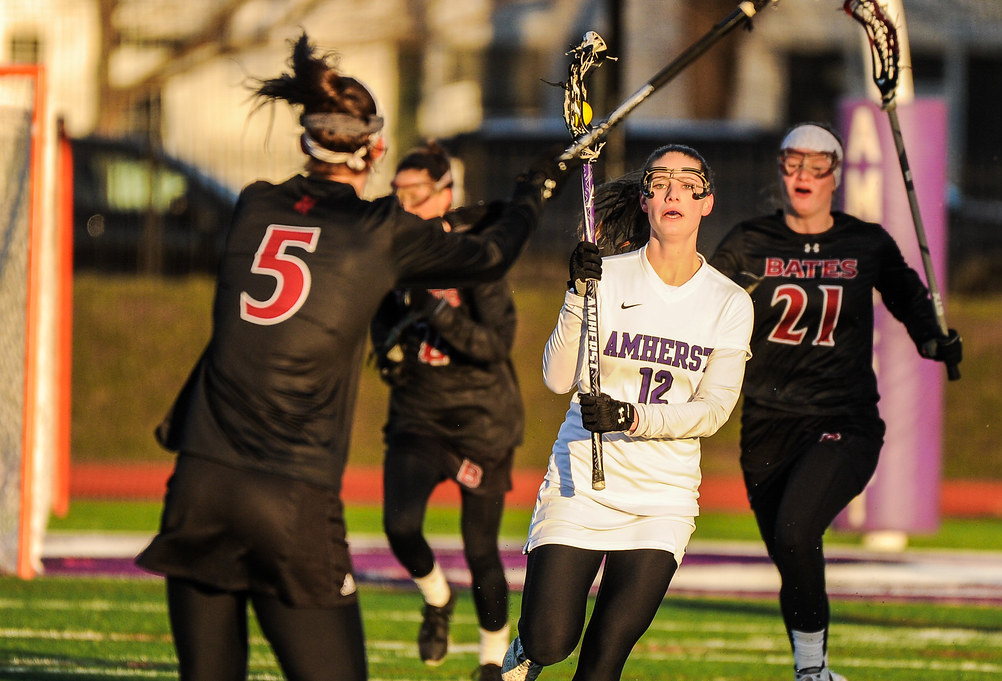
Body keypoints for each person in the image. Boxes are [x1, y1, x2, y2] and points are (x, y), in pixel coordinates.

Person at [134, 33, 577, 681]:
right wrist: (531, 193)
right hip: (290, 492)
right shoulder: (380, 233)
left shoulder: (253, 206)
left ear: (304, 141)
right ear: (373, 149)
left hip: (200, 478)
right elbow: (490, 255)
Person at [708, 122, 963, 681]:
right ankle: (811, 670)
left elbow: (908, 296)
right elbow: (696, 299)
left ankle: (812, 671)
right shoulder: (749, 241)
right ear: (780, 169)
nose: (802, 175)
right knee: (789, 551)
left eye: (815, 165)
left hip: (842, 420)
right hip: (767, 424)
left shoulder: (864, 241)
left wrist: (933, 336)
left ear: (835, 175)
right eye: (793, 163)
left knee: (797, 532)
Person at [501, 145, 755, 681]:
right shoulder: (605, 276)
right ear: (645, 201)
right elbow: (555, 377)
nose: (673, 192)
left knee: (602, 665)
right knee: (550, 641)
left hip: (662, 500)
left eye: (688, 183)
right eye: (660, 181)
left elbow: (713, 410)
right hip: (582, 485)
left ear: (707, 202)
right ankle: (526, 646)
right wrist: (576, 294)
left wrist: (634, 418)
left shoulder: (729, 302)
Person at [370, 142, 523, 681]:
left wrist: (433, 307)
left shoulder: (474, 254)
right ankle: (437, 597)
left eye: (416, 195)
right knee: (399, 524)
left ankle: (491, 660)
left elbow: (495, 344)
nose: (406, 206)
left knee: (481, 549)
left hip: (480, 420)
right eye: (399, 194)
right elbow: (380, 317)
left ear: (445, 194)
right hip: (418, 413)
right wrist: (385, 341)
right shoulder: (393, 251)